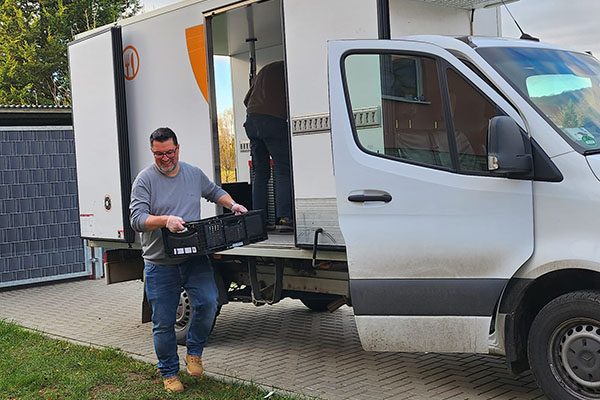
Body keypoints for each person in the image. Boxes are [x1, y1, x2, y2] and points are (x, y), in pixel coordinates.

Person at [129, 127, 247, 393]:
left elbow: (214, 191)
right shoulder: (144, 180)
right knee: (164, 321)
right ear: (153, 152)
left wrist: (232, 205)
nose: (165, 158)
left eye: (169, 152)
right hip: (160, 263)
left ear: (177, 148)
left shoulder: (192, 173)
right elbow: (137, 220)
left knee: (208, 301)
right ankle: (169, 373)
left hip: (194, 258)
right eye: (159, 154)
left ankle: (194, 352)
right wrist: (164, 221)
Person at [244, 60, 293, 231]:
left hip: (252, 120)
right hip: (273, 122)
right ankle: (286, 219)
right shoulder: (289, 70)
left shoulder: (265, 69)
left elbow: (246, 100)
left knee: (261, 173)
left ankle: (259, 220)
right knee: (283, 170)